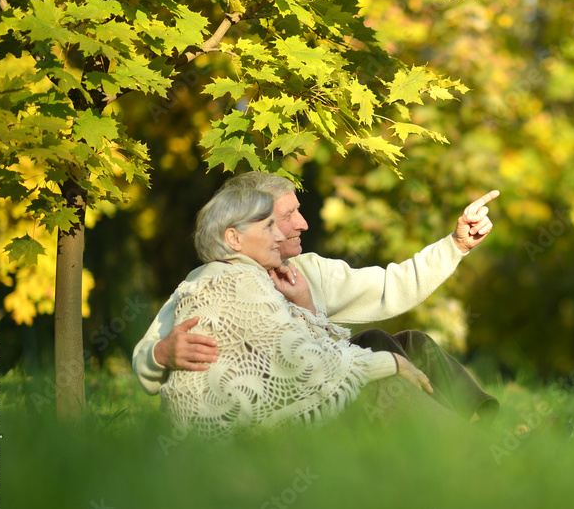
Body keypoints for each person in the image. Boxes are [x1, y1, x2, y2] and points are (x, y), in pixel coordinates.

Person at [132, 171, 500, 425]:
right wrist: (161, 354)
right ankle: (462, 444)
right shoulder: (212, 284)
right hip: (279, 412)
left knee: (402, 343)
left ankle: (485, 427)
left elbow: (392, 287)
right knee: (376, 354)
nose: (301, 224)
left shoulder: (307, 270)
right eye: (284, 217)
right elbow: (147, 361)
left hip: (315, 382)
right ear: (241, 231)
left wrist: (455, 245)